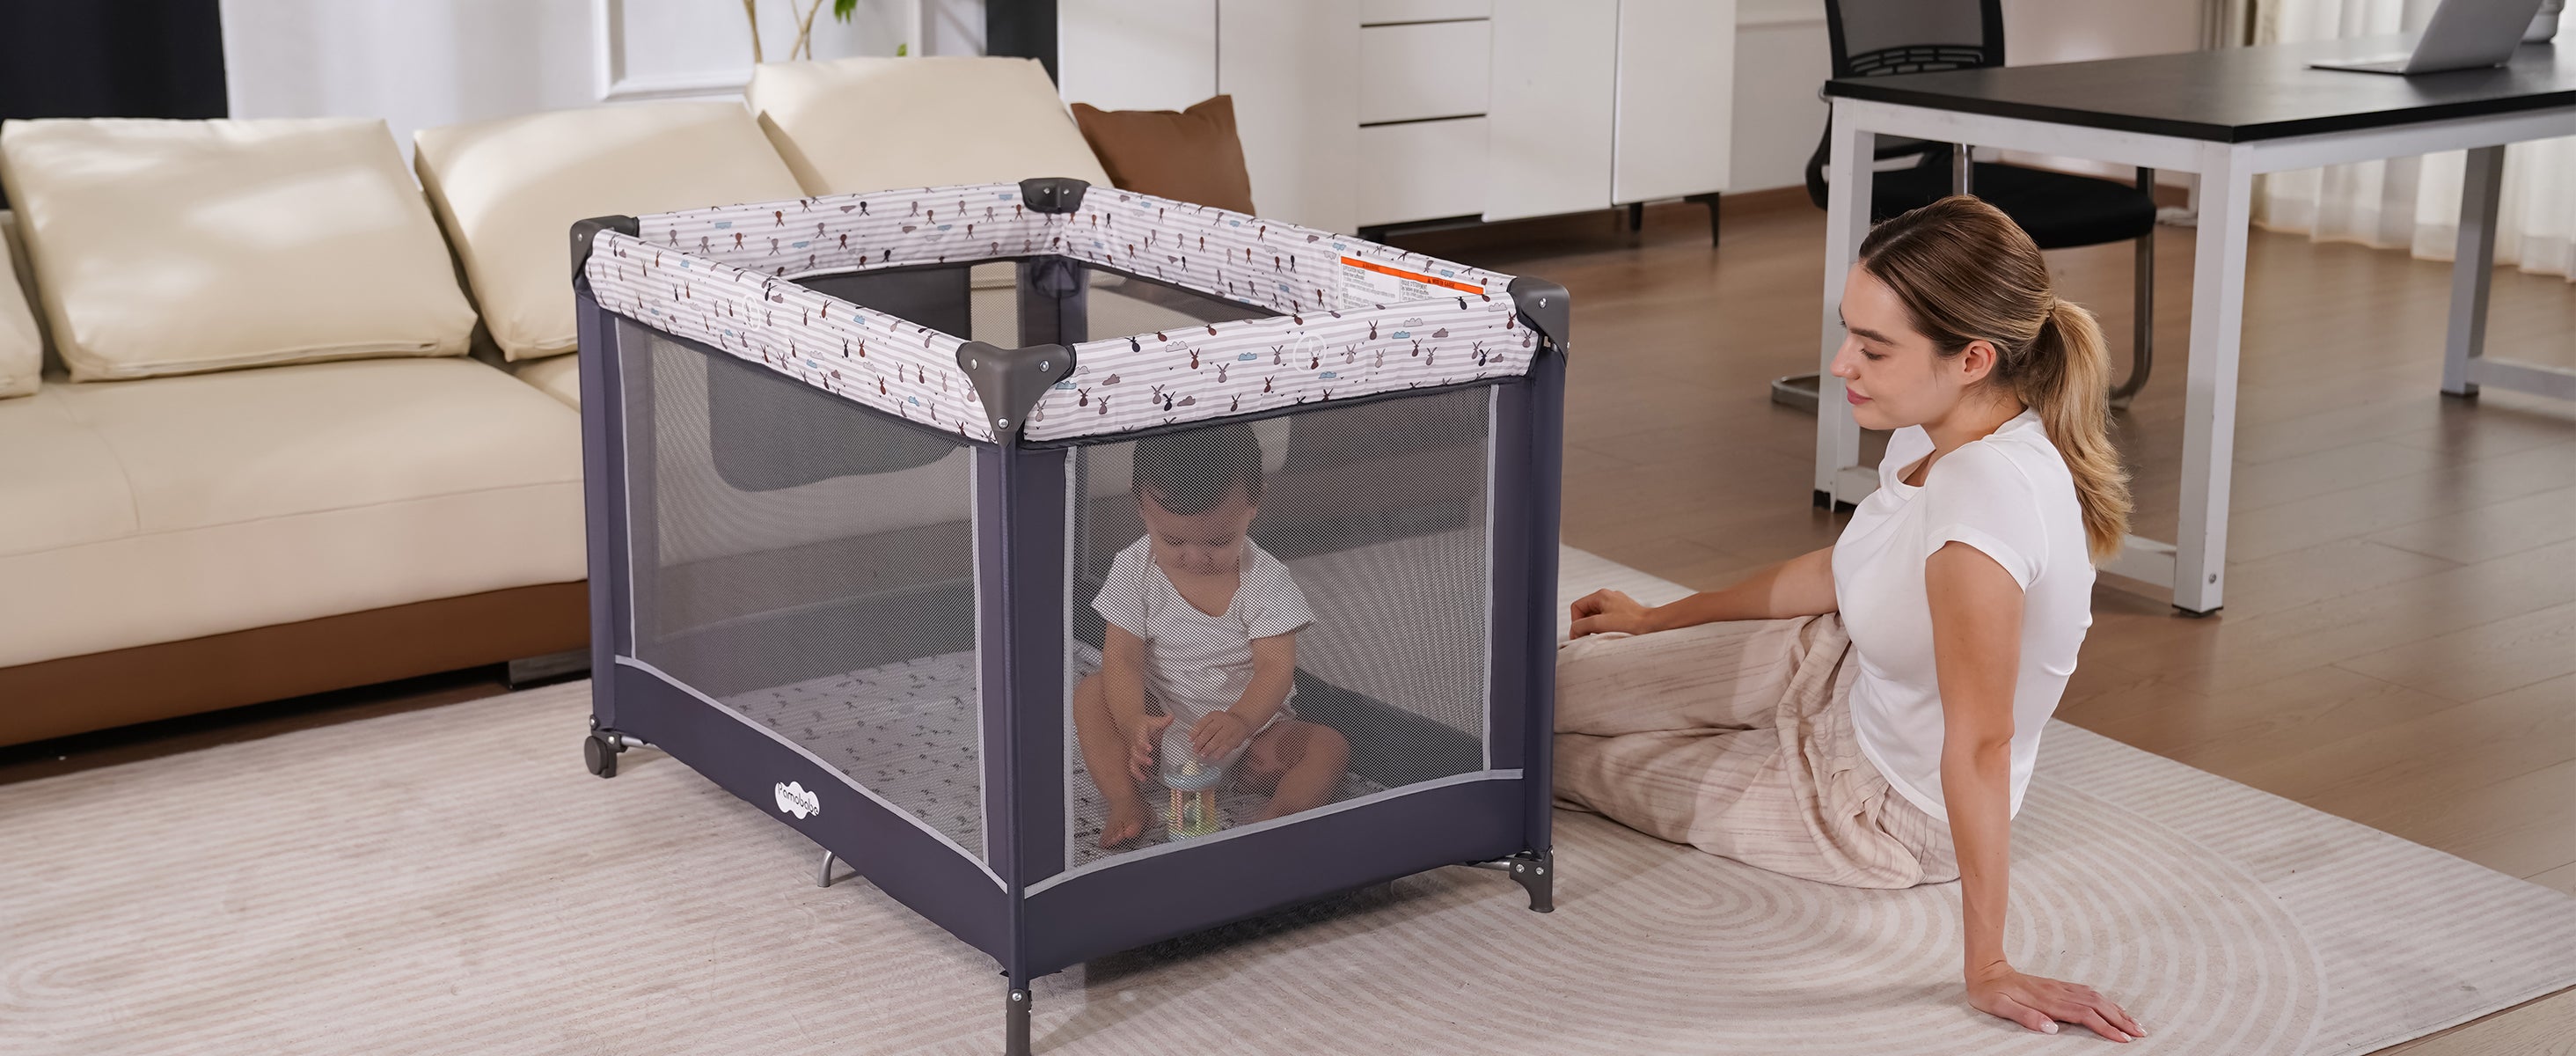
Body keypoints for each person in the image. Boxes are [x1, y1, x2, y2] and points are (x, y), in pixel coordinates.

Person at [1557, 196, 2148, 1042]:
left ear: (1972, 358)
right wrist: (1660, 619)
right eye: (1849, 334)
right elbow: (1847, 568)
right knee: (1547, 692)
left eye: (1873, 349)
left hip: (1876, 808)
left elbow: (1982, 744)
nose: (1842, 365)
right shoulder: (1934, 425)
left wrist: (1988, 968)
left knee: (1557, 762)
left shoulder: (1986, 502)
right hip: (1834, 663)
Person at [1072, 422, 1351, 848]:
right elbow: (1122, 658)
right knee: (1092, 694)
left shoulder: (1266, 580)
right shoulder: (1134, 568)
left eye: (1219, 542)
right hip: (1160, 725)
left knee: (1328, 747)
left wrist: (1242, 720)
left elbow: (1276, 669)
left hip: (1250, 739)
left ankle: (1280, 816)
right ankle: (1126, 800)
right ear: (1141, 507)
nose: (1196, 558)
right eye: (1173, 540)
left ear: (1253, 505)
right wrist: (1131, 722)